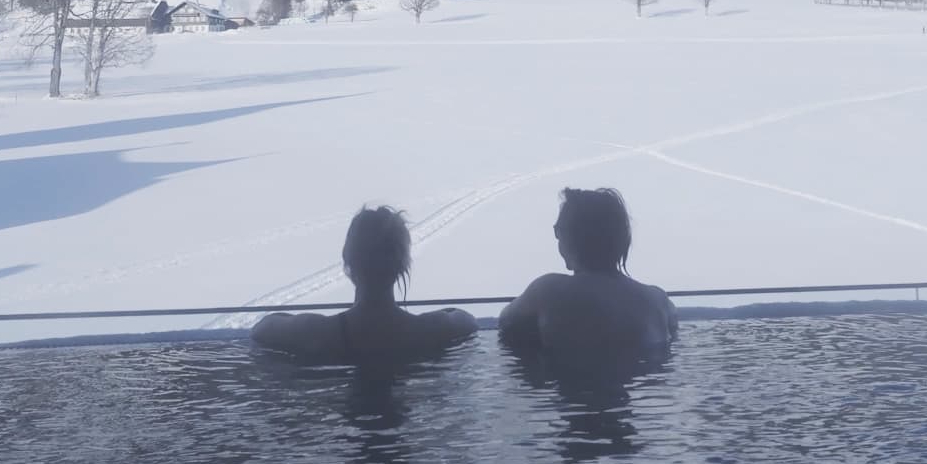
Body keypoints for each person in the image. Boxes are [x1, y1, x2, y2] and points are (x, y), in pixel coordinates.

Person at [251, 206, 478, 358]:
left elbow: (263, 328)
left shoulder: (316, 332)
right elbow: (468, 321)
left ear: (348, 262)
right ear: (402, 266)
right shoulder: (431, 329)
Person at [499, 187, 678, 355]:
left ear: (570, 236)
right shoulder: (659, 301)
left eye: (558, 231)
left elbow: (505, 322)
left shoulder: (549, 292)